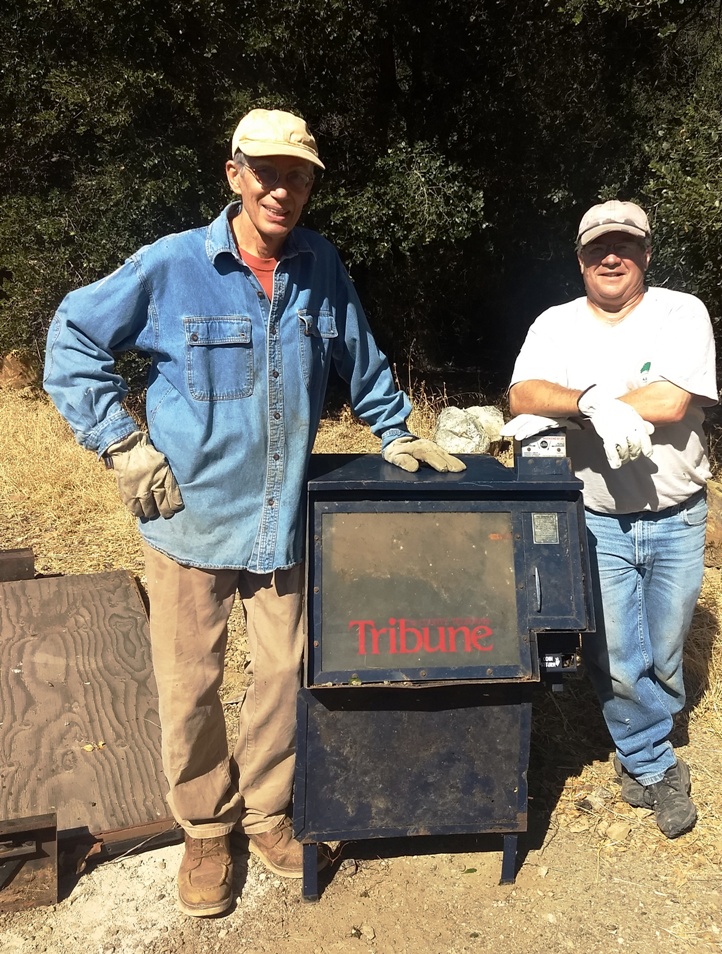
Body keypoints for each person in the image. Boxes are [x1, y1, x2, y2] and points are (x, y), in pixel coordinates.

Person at [44, 107, 464, 917]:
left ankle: (268, 812)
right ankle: (207, 828)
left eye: (297, 174)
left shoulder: (321, 267)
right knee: (190, 685)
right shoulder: (172, 265)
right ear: (234, 173)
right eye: (267, 171)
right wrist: (122, 445)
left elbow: (360, 355)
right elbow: (72, 336)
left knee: (284, 673)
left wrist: (396, 431)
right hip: (189, 522)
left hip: (283, 522)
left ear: (309, 187)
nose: (282, 187)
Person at [505, 199, 717, 839]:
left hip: (679, 514)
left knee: (666, 652)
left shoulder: (682, 312)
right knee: (620, 655)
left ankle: (646, 728)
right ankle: (651, 762)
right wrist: (589, 402)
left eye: (625, 244)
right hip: (596, 518)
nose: (612, 256)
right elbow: (521, 394)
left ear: (646, 253)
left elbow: (674, 400)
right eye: (599, 247)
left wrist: (582, 409)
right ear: (580, 258)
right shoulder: (556, 325)